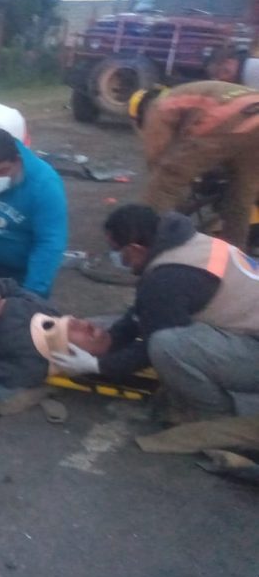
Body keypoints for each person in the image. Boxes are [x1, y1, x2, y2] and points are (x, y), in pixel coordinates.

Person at [51, 204, 259, 419]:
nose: (117, 259)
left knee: (166, 345)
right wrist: (113, 338)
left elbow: (152, 347)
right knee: (162, 332)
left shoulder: (167, 278)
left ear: (135, 248)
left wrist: (98, 366)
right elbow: (143, 311)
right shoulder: (186, 243)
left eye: (117, 251)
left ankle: (216, 416)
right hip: (249, 329)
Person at [129, 81, 259, 249]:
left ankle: (143, 246)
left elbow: (157, 159)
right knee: (241, 198)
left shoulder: (158, 107)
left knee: (165, 181)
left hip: (225, 120)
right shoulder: (189, 92)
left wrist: (173, 192)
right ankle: (235, 256)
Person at [0, 128, 67, 298]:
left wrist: (31, 294)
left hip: (20, 273)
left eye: (2, 171)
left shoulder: (44, 184)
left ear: (17, 161)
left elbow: (49, 242)